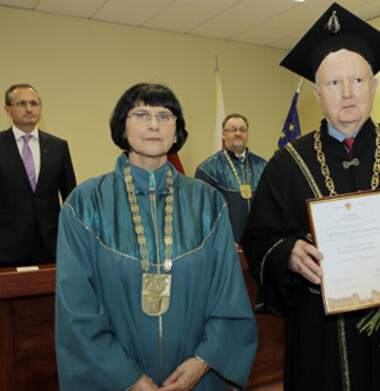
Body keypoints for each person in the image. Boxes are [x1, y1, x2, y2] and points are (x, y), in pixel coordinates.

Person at [241, 2, 380, 391]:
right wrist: (287, 252)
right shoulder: (285, 165)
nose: (348, 94)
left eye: (358, 81)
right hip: (318, 332)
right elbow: (258, 239)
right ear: (317, 94)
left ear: (374, 87)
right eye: (334, 84)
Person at [55, 83, 257, 391]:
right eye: (141, 114)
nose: (153, 124)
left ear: (177, 131)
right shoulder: (84, 204)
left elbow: (228, 295)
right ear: (123, 126)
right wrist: (127, 377)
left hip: (195, 379)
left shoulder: (208, 202)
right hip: (115, 381)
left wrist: (203, 360)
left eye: (164, 116)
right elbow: (77, 310)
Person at [0, 83, 76, 267]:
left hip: (51, 247)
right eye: (21, 104)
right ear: (7, 110)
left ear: (41, 108)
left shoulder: (59, 147)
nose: (28, 109)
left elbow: (71, 198)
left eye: (34, 103)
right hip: (6, 248)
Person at [195, 114, 267, 244]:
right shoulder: (207, 169)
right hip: (226, 244)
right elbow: (203, 214)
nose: (238, 133)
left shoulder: (263, 166)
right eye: (233, 129)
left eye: (242, 130)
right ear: (223, 134)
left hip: (259, 243)